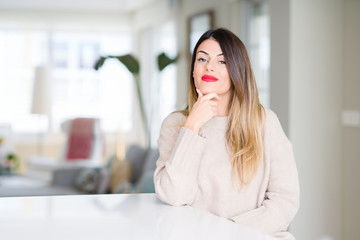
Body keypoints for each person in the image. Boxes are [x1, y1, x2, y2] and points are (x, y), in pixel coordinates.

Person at [153, 28, 299, 240]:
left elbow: (285, 200)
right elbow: (174, 195)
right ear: (193, 70)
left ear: (237, 71)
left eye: (222, 61)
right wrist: (191, 127)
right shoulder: (175, 125)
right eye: (202, 59)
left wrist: (231, 232)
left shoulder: (264, 122)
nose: (209, 66)